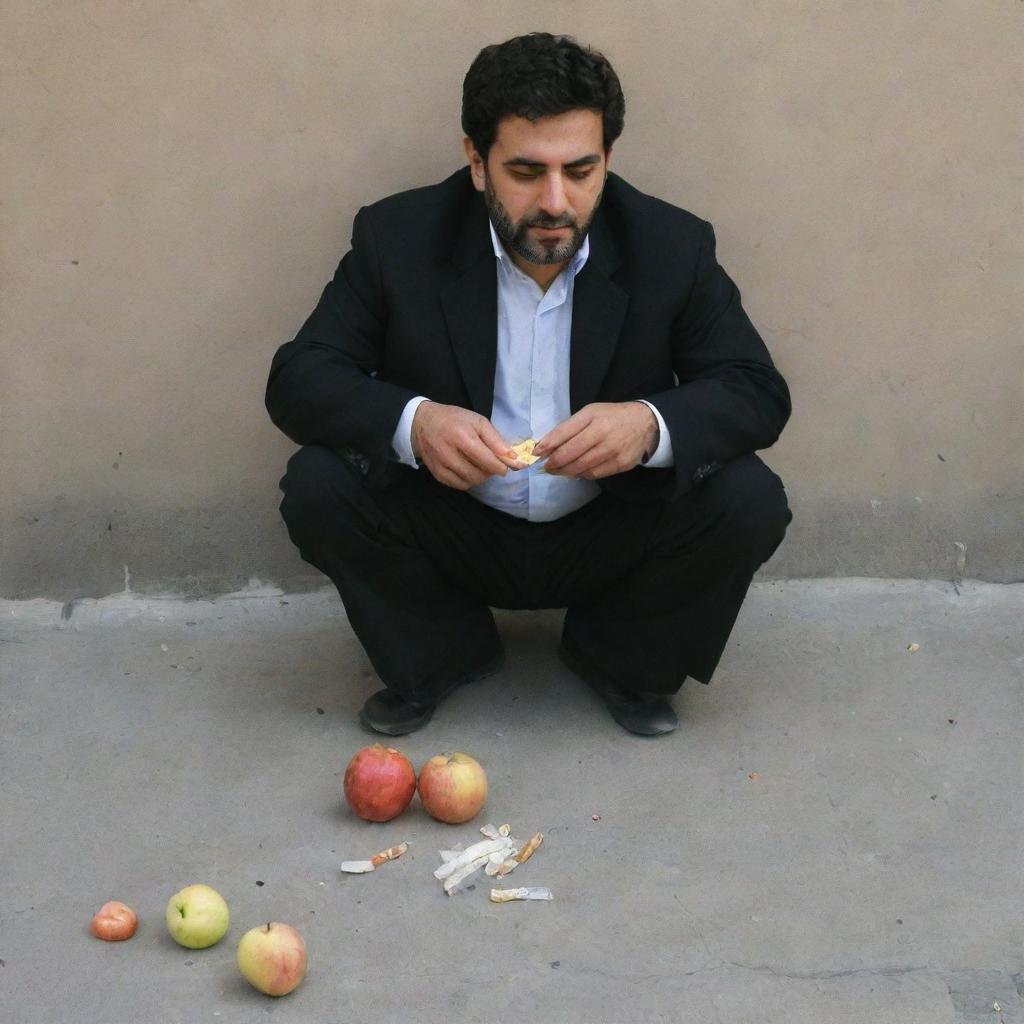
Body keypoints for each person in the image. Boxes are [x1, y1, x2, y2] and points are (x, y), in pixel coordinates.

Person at [265, 32, 792, 738]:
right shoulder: (398, 237)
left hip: (609, 525)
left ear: (608, 159)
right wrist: (414, 423)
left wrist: (648, 425)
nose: (555, 202)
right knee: (317, 484)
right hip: (452, 523)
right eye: (525, 171)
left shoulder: (672, 244)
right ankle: (443, 655)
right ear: (476, 162)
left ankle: (618, 658)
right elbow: (300, 377)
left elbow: (756, 389)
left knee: (749, 497)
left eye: (580, 170)